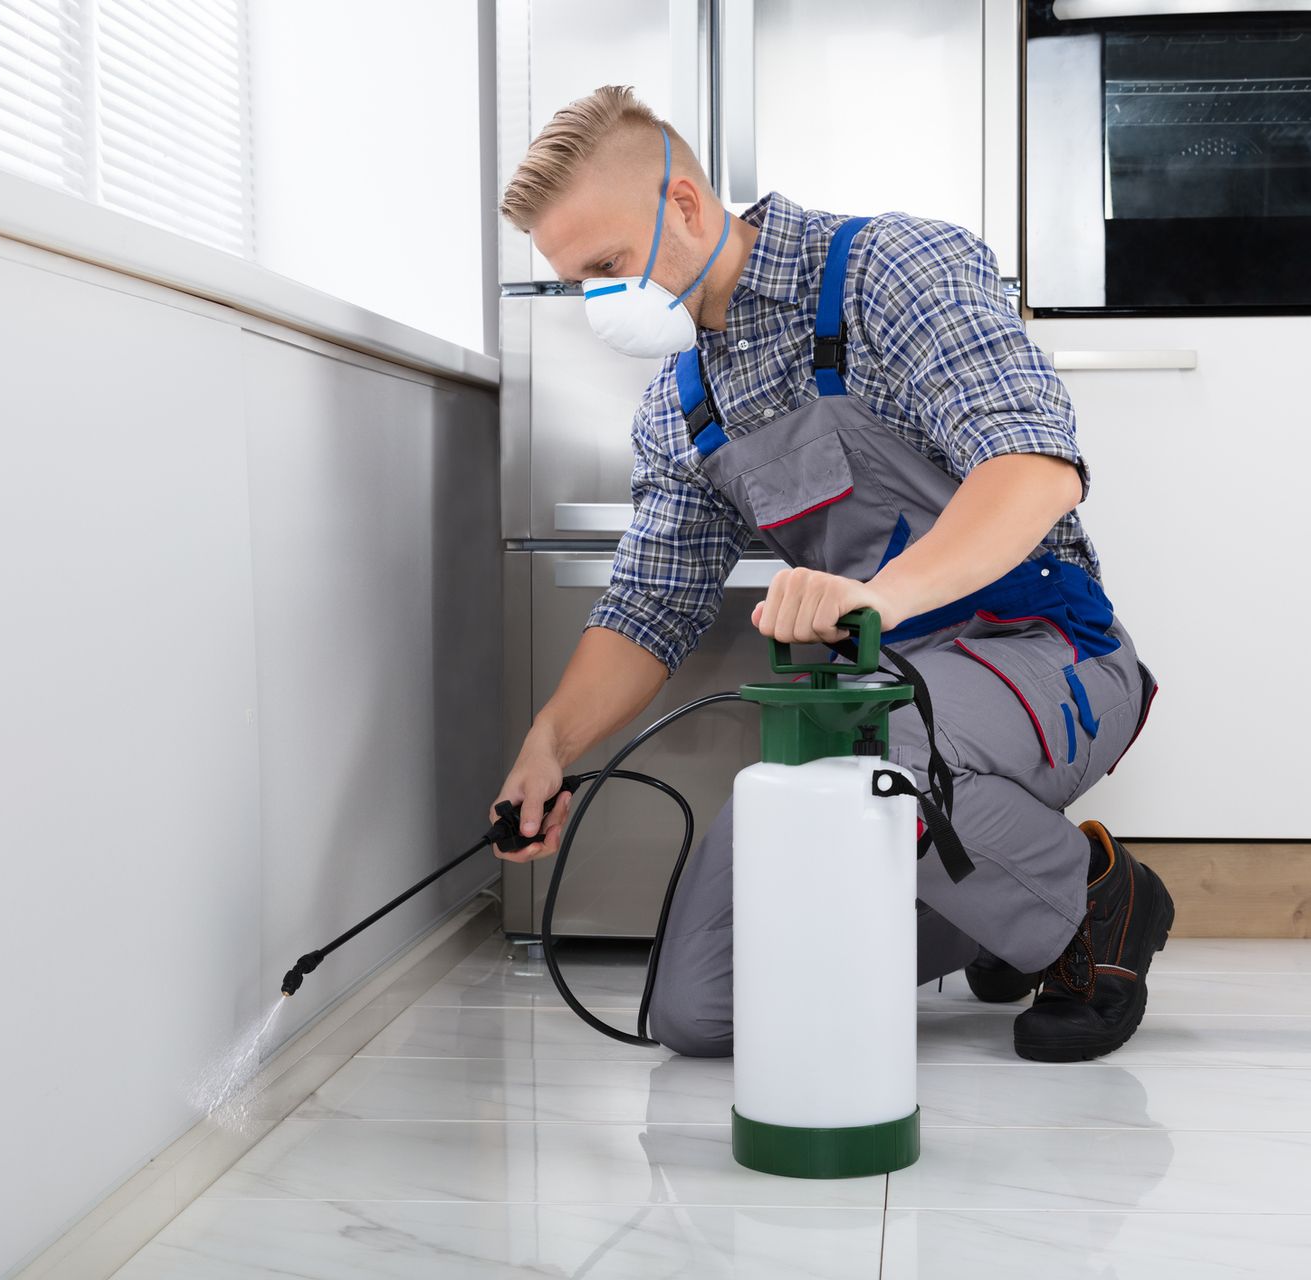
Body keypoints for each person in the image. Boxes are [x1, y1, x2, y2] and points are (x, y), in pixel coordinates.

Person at [490, 85, 1174, 1063]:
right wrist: (550, 743)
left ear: (684, 205)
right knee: (701, 1009)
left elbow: (1036, 469)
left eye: (606, 266)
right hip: (880, 697)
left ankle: (1093, 903)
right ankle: (997, 911)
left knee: (877, 738)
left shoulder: (892, 270)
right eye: (576, 281)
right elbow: (652, 607)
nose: (599, 299)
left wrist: (878, 598)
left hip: (1050, 652)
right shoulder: (679, 405)